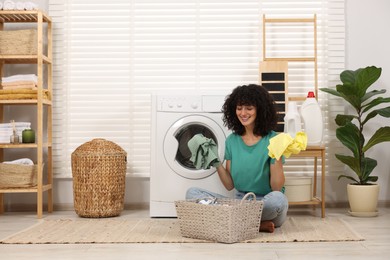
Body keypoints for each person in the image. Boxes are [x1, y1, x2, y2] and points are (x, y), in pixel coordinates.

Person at [186, 84, 288, 233]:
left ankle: (233, 221)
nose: (243, 113)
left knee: (278, 199)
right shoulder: (232, 141)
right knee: (192, 193)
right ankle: (256, 224)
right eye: (239, 108)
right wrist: (215, 162)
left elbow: (277, 188)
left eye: (249, 108)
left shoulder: (274, 139)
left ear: (260, 109)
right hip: (240, 202)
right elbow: (229, 185)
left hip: (266, 204)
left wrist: (276, 156)